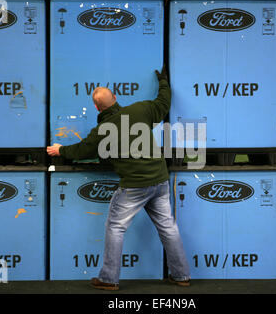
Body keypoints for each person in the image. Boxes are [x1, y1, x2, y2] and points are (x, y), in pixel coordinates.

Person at [47, 66, 190, 291]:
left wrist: (59, 150)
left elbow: (81, 151)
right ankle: (181, 275)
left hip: (134, 186)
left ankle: (108, 279)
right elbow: (163, 103)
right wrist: (163, 82)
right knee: (168, 227)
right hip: (160, 180)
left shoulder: (102, 130)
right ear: (115, 97)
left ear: (96, 107)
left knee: (115, 227)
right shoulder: (141, 110)